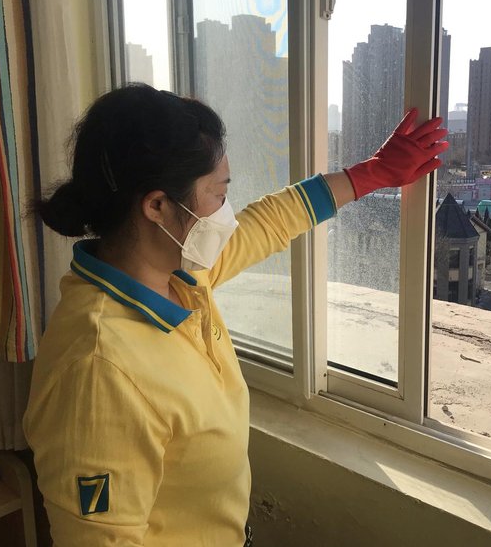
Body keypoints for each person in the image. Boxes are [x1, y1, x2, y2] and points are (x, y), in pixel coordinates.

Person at [23, 83, 447, 546]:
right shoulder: (99, 371)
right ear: (157, 206)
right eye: (218, 193)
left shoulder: (178, 278)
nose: (226, 213)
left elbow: (267, 223)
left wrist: (371, 173)